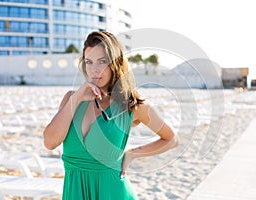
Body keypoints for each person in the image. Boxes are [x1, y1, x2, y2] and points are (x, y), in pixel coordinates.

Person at [43, 31, 178, 200]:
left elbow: (172, 139)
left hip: (113, 193)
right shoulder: (72, 99)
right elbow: (49, 142)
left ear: (116, 63)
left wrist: (133, 154)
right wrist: (77, 97)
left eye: (103, 61)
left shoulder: (131, 104)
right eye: (89, 62)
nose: (95, 69)